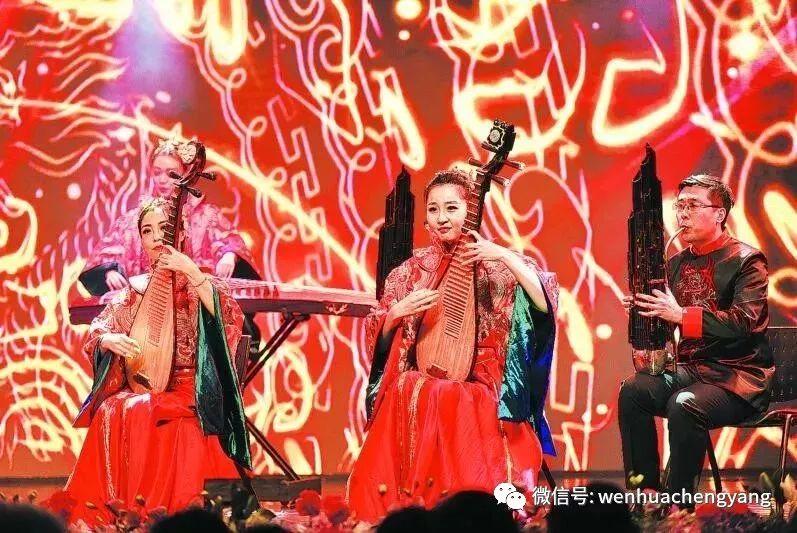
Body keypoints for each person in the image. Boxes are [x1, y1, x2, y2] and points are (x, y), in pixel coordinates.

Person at [346, 169, 559, 523]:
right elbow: (379, 340)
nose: (442, 218)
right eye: (433, 209)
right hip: (426, 373)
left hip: (484, 379)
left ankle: (463, 506)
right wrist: (395, 314)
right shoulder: (410, 270)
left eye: (451, 208)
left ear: (469, 209)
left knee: (453, 396)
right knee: (409, 386)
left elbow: (543, 302)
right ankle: (407, 504)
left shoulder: (496, 263)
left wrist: (503, 255)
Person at [50, 197, 251, 526]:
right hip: (148, 383)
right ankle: (116, 512)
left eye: (164, 227)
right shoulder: (134, 292)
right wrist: (107, 340)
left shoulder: (204, 285)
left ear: (180, 232)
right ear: (140, 240)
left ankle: (154, 513)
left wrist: (189, 269)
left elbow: (227, 319)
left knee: (144, 407)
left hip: (193, 390)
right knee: (111, 407)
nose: (156, 236)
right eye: (147, 230)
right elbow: (100, 328)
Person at [619, 175, 773, 499]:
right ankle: (645, 495)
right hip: (691, 371)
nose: (683, 214)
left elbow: (744, 322)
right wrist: (644, 311)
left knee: (684, 404)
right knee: (633, 391)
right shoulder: (675, 264)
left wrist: (680, 315)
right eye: (680, 206)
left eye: (693, 205)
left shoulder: (748, 261)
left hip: (738, 377)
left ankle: (678, 505)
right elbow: (666, 326)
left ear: (720, 214)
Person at [80, 137, 259, 294]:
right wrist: (109, 271)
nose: (162, 180)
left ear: (185, 173)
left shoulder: (207, 216)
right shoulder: (134, 219)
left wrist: (230, 256)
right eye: (157, 173)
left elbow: (230, 241)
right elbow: (110, 251)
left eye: (171, 174)